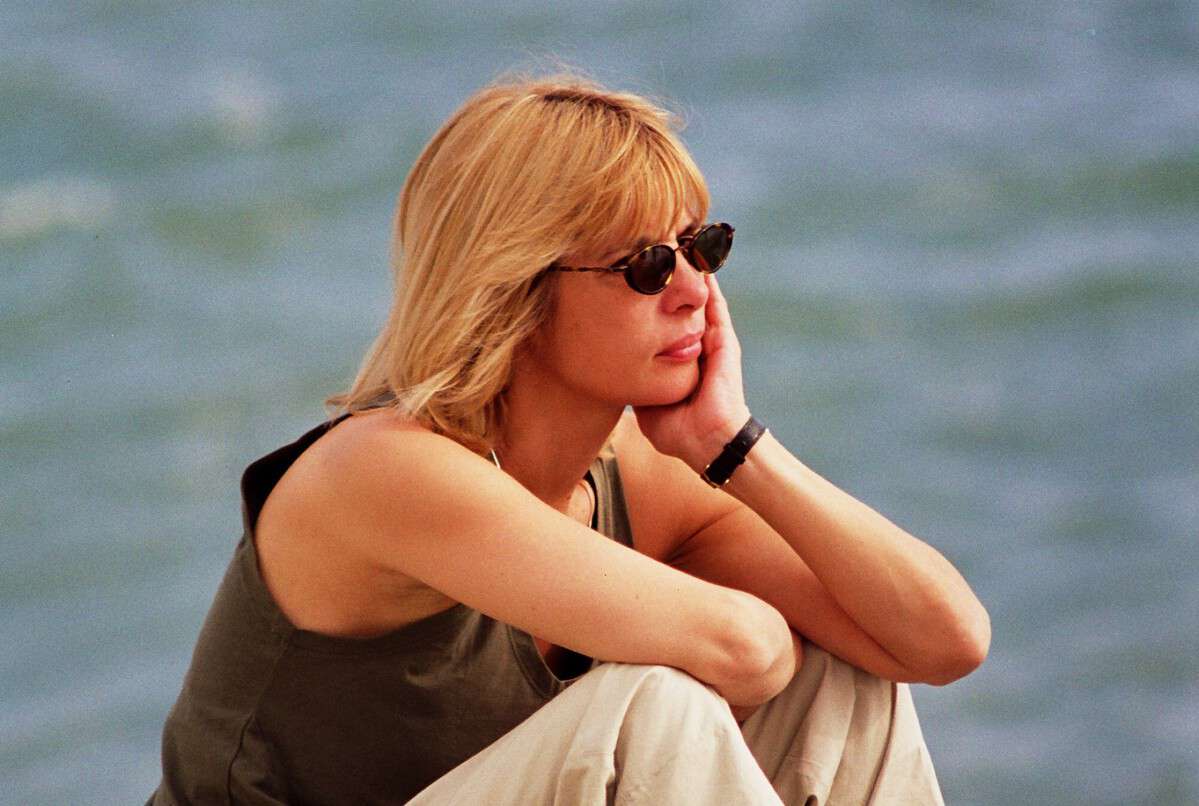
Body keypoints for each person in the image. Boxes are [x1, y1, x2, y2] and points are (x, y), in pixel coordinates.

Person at [148, 71, 990, 805]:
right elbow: (747, 649)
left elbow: (942, 644)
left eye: (701, 247)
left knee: (843, 680)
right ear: (512, 287)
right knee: (654, 709)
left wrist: (733, 446)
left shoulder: (640, 475)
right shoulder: (384, 470)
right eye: (645, 265)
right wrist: (743, 636)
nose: (693, 291)